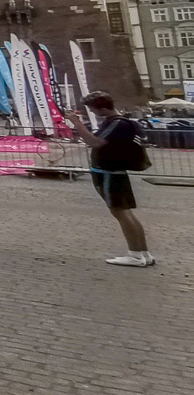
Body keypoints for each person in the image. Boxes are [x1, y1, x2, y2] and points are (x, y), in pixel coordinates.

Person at [68, 92, 155, 267]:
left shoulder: (117, 123)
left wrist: (77, 124)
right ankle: (143, 253)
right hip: (114, 172)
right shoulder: (119, 122)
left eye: (93, 109)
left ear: (102, 109)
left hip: (108, 172)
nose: (93, 113)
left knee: (120, 213)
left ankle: (135, 255)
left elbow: (95, 143)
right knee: (126, 212)